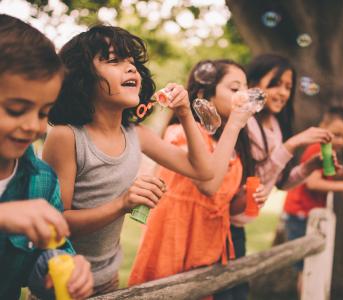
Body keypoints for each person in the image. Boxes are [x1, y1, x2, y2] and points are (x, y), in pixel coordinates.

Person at [42, 25, 214, 295]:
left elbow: (202, 170)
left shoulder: (137, 135)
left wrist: (184, 113)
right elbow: (55, 222)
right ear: (82, 78)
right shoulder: (67, 137)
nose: (131, 68)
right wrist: (122, 204)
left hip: (109, 280)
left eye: (132, 63)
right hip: (64, 279)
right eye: (114, 61)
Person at [128, 59, 268, 294]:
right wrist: (234, 124)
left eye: (246, 88)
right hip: (174, 238)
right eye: (235, 89)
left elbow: (223, 205)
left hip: (210, 245)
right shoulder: (180, 134)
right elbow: (208, 185)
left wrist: (246, 199)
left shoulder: (230, 146)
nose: (244, 96)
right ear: (205, 94)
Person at [221, 54, 333, 300]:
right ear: (252, 83)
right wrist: (291, 145)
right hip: (222, 223)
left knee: (238, 291)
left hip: (238, 227)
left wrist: (309, 167)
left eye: (288, 87)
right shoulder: (243, 124)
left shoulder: (276, 125)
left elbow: (280, 181)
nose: (283, 92)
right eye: (275, 83)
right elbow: (254, 179)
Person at [0, 14, 93, 299]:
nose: (32, 126)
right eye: (16, 109)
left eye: (43, 113)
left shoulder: (42, 180)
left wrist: (60, 267)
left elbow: (48, 250)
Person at [283, 105, 343, 296]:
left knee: (313, 267)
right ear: (323, 127)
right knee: (307, 269)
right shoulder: (317, 148)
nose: (341, 140)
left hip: (310, 215)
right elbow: (313, 183)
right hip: (300, 214)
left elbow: (327, 176)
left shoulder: (329, 150)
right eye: (337, 134)